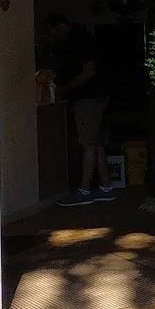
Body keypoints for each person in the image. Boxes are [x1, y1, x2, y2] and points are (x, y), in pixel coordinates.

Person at [44, 14, 115, 206]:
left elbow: (89, 71)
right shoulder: (84, 37)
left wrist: (65, 88)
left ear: (61, 26)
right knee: (95, 140)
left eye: (52, 32)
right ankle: (106, 186)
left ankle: (84, 189)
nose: (52, 36)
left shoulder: (79, 41)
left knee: (88, 142)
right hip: (98, 95)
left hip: (88, 98)